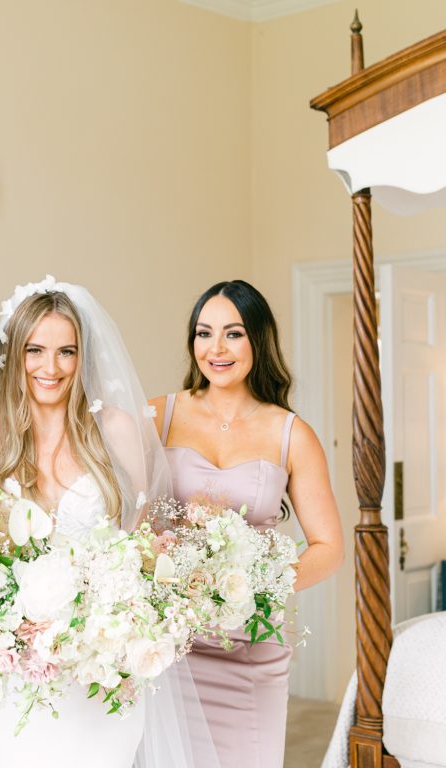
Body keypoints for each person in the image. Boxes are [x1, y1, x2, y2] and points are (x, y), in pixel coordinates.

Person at [0, 277, 214, 768]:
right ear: (14, 355)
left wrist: (113, 620)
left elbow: (139, 544)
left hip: (104, 665)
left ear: (84, 358)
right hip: (20, 673)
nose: (50, 368)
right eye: (35, 350)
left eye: (66, 352)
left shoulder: (116, 429)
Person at [149, 279, 343, 768]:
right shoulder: (157, 415)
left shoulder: (291, 434)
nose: (216, 349)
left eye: (233, 334)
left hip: (252, 648)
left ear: (258, 340)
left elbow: (328, 546)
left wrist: (258, 586)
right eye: (203, 333)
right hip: (173, 641)